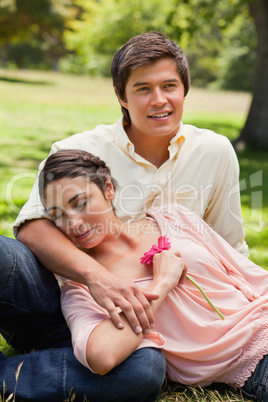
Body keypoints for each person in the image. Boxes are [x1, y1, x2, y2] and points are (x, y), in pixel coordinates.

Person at [0, 31, 247, 400]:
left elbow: (228, 245)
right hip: (61, 301)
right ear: (122, 97)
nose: (159, 100)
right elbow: (33, 228)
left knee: (144, 371)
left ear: (185, 90)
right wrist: (96, 277)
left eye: (169, 86)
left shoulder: (214, 151)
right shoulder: (77, 149)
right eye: (143, 88)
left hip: (135, 329)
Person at [40, 149, 268, 401]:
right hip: (256, 365)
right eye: (58, 215)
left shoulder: (174, 217)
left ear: (108, 189)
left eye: (80, 203)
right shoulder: (82, 287)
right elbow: (102, 356)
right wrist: (161, 284)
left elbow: (250, 275)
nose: (73, 223)